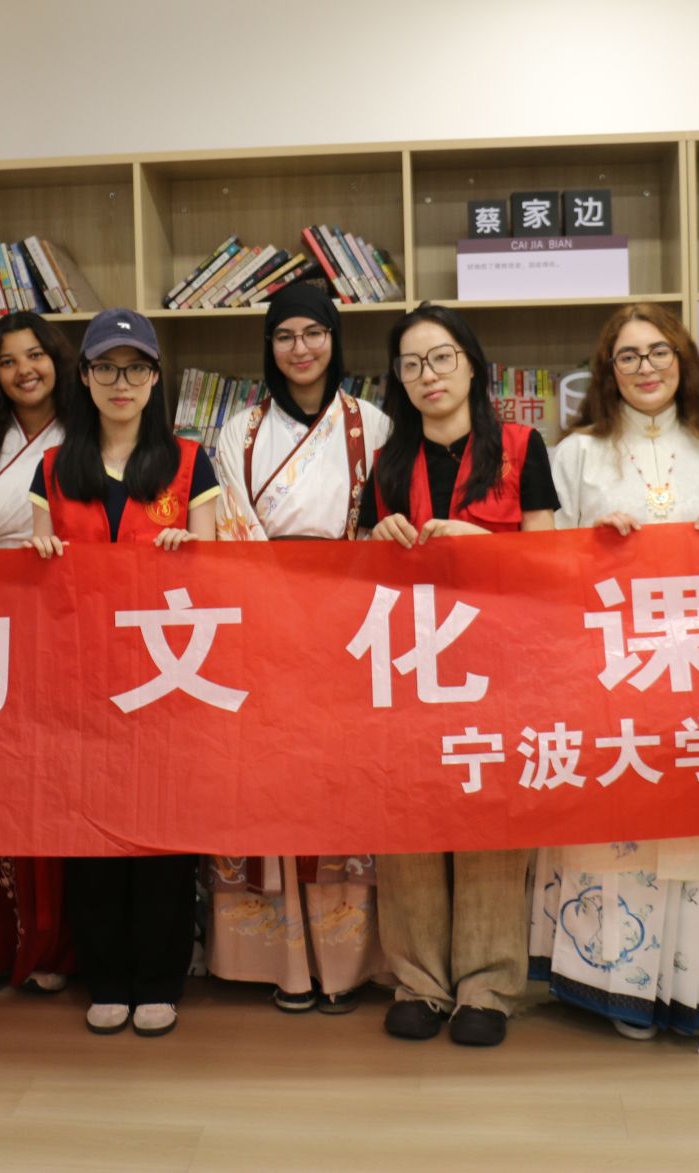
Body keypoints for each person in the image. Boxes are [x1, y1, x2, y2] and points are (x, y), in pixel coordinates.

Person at [533, 303, 699, 1050]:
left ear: (682, 361)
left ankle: (692, 988)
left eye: (659, 352)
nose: (645, 367)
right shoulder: (576, 455)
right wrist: (590, 544)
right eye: (628, 356)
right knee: (617, 821)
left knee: (691, 823)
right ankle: (614, 983)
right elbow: (542, 565)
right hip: (609, 671)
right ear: (607, 371)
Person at [357, 302, 560, 1048]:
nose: (428, 375)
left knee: (489, 814)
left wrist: (480, 542)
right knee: (409, 814)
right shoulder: (387, 463)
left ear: (472, 366)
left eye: (441, 357)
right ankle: (418, 980)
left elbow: (548, 559)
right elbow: (356, 574)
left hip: (498, 661)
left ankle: (487, 985)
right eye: (411, 364)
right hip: (410, 662)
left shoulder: (521, 447)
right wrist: (377, 536)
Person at [27, 307, 220, 1038]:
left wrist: (190, 554)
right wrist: (39, 559)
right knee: (92, 835)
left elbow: (217, 577)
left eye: (136, 368)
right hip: (81, 680)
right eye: (106, 367)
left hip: (168, 676)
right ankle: (105, 976)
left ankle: (160, 977)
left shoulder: (190, 462)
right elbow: (39, 583)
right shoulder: (55, 468)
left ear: (155, 377)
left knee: (164, 833)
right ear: (83, 376)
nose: (121, 382)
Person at [206, 281, 391, 1015]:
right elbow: (232, 528)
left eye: (314, 332)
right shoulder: (239, 432)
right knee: (271, 788)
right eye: (285, 335)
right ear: (269, 346)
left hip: (349, 625)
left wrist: (335, 601)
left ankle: (345, 964)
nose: (300, 348)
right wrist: (281, 608)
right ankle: (281, 964)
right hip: (264, 625)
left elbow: (381, 524)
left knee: (342, 790)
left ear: (334, 339)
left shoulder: (372, 425)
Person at [0, 313, 79, 995]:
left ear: (58, 359)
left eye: (36, 355)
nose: (25, 370)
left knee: (54, 783)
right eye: (8, 361)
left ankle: (55, 942)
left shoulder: (84, 437)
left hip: (58, 625)